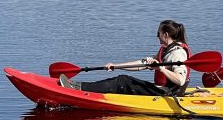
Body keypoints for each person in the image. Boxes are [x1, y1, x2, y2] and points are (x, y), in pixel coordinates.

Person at [60, 20, 190, 96]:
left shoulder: (177, 53)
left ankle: (79, 89)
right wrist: (115, 66)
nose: (157, 36)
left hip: (167, 94)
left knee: (122, 82)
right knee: (122, 79)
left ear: (165, 34)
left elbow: (181, 80)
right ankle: (80, 86)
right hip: (160, 90)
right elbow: (141, 64)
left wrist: (161, 70)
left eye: (158, 34)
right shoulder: (167, 50)